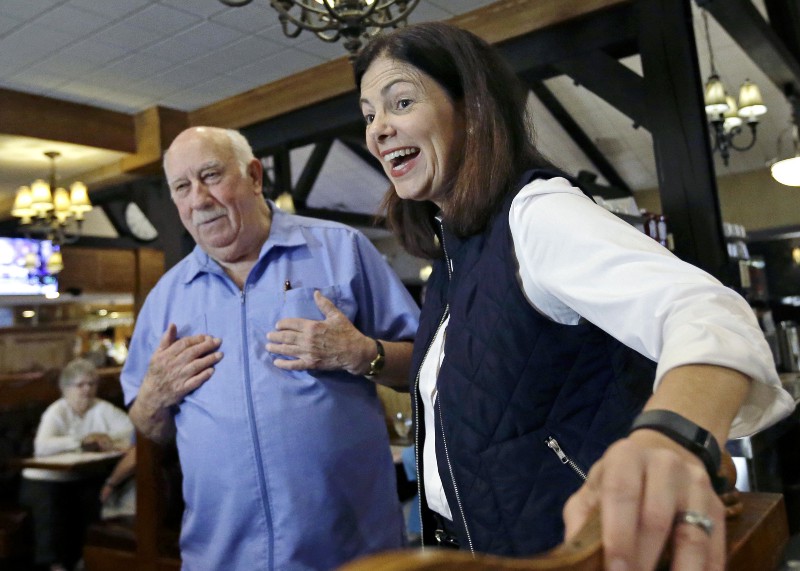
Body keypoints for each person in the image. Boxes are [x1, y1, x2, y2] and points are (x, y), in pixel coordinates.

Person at [354, 22, 795, 570]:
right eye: (369, 114)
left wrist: (668, 437)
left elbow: (708, 310)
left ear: (471, 107)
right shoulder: (454, 253)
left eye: (400, 102)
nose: (378, 130)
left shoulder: (536, 213)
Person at [120, 126, 420, 571]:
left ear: (254, 176)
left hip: (352, 552)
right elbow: (150, 428)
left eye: (211, 176)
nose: (199, 199)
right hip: (221, 558)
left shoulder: (341, 249)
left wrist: (361, 353)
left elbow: (429, 360)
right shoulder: (166, 298)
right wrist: (151, 398)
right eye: (182, 187)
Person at [20, 358, 134, 571]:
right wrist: (81, 441)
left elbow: (130, 431)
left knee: (94, 498)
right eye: (80, 385)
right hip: (43, 479)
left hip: (78, 476)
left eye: (92, 384)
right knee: (52, 504)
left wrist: (107, 439)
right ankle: (55, 564)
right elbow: (42, 446)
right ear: (66, 389)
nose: (87, 390)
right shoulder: (57, 411)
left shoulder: (101, 408)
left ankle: (86, 559)